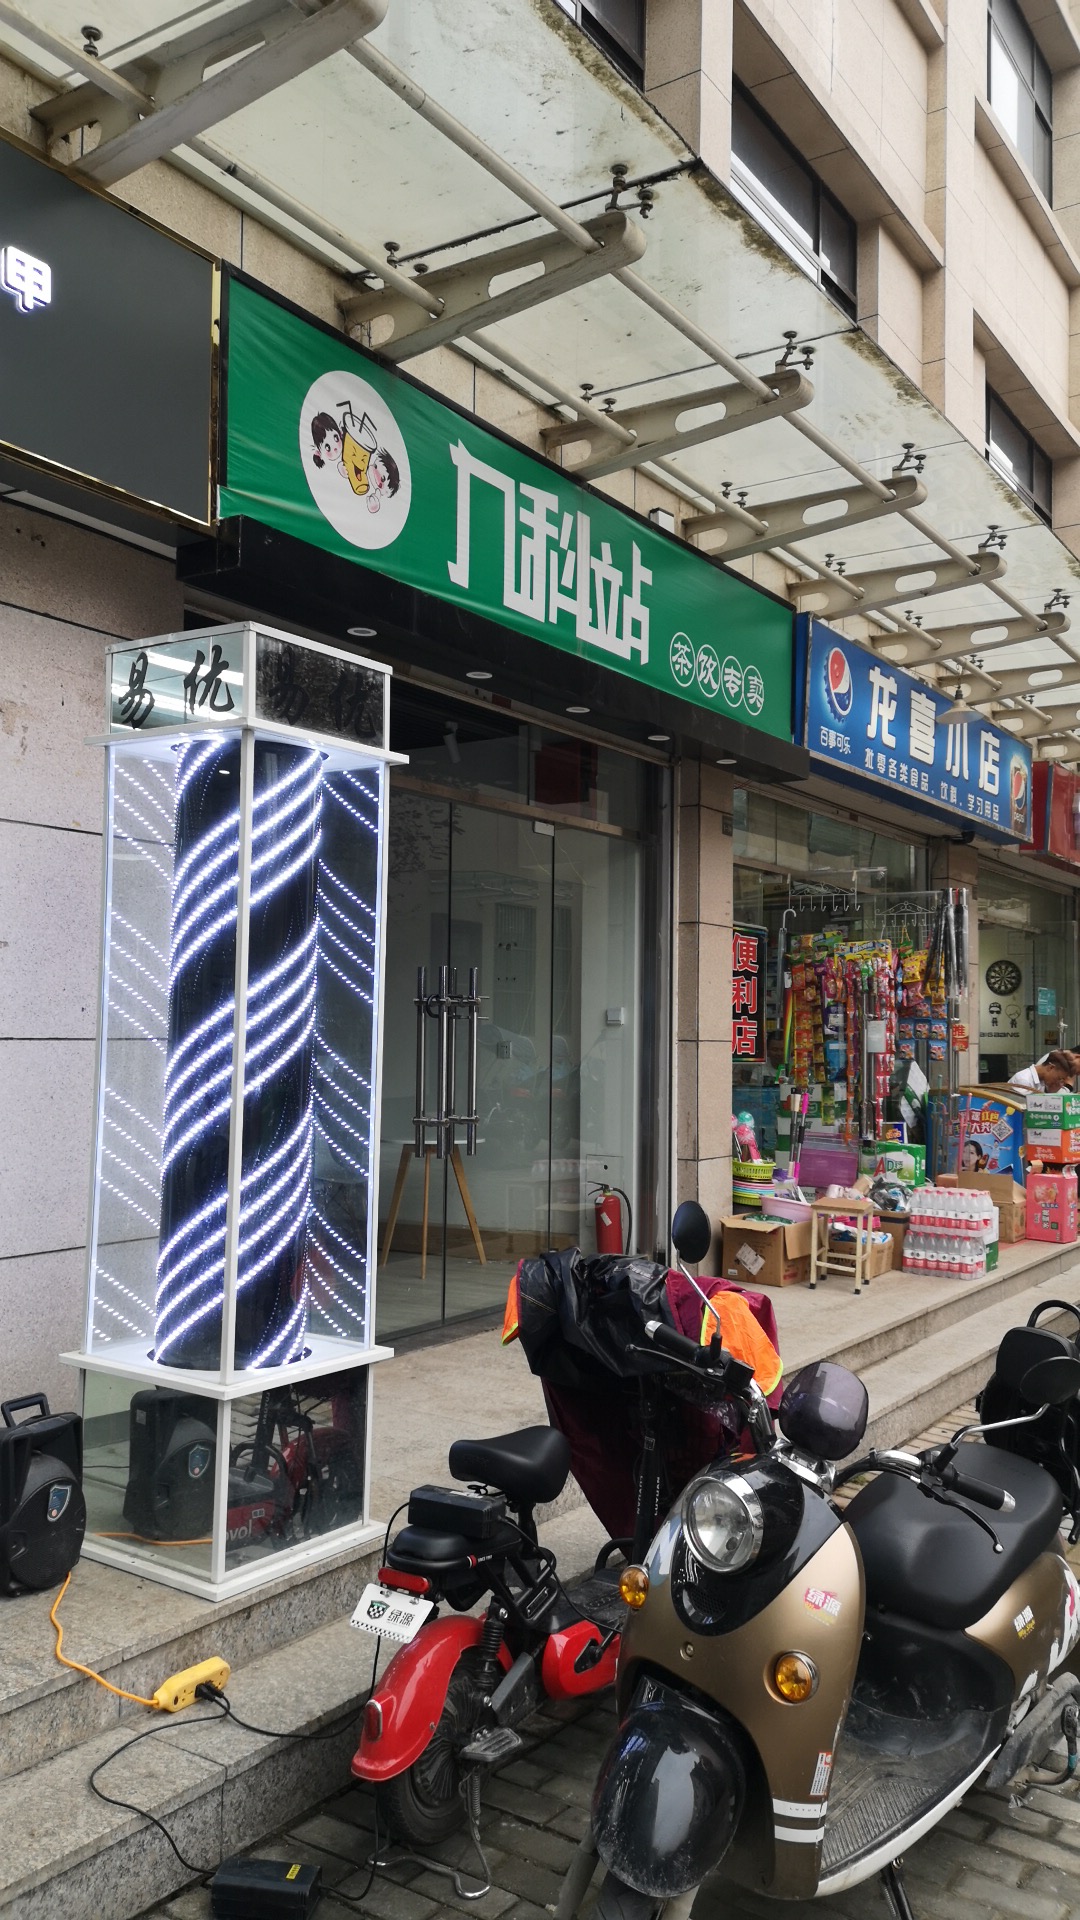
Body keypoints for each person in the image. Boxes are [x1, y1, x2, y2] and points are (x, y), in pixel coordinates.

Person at [1009, 1049, 1076, 1094]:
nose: (1058, 1082)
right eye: (1059, 1078)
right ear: (1051, 1067)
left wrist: (1051, 1092)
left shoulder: (1042, 1081)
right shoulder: (1024, 1080)